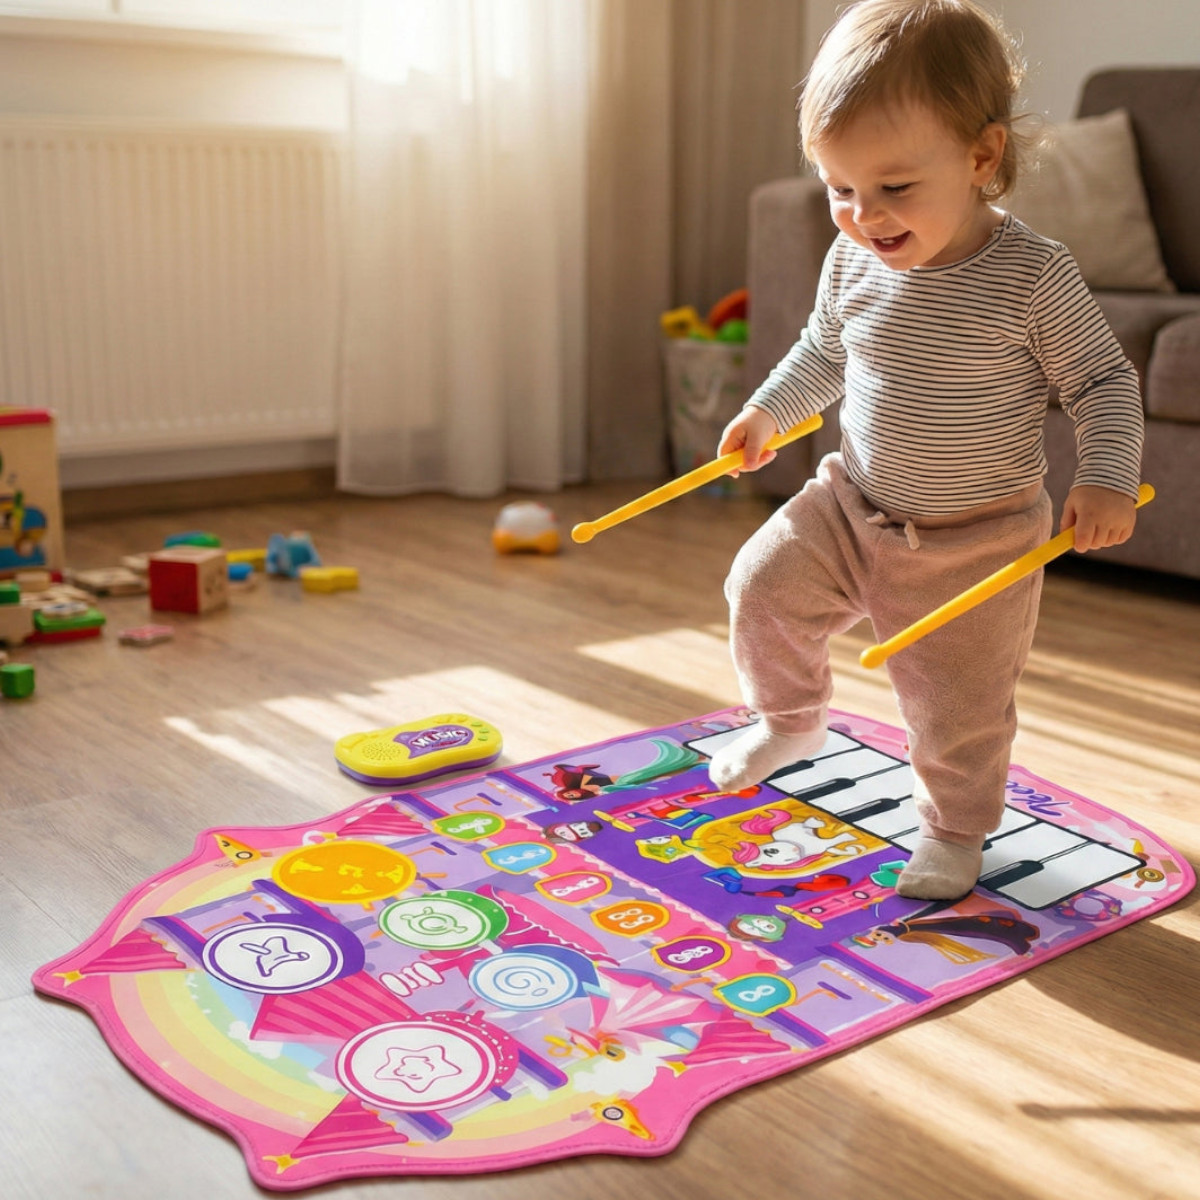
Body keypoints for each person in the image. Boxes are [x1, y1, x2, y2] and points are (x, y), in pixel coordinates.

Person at [707, 0, 1144, 901]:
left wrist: (1106, 475)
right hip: (851, 503)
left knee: (957, 711)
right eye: (840, 188)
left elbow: (1103, 381)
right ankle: (791, 719)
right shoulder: (852, 260)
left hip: (975, 542)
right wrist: (768, 412)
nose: (863, 215)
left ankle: (953, 829)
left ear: (981, 158)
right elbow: (823, 352)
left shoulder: (1033, 275)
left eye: (895, 188)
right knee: (759, 586)